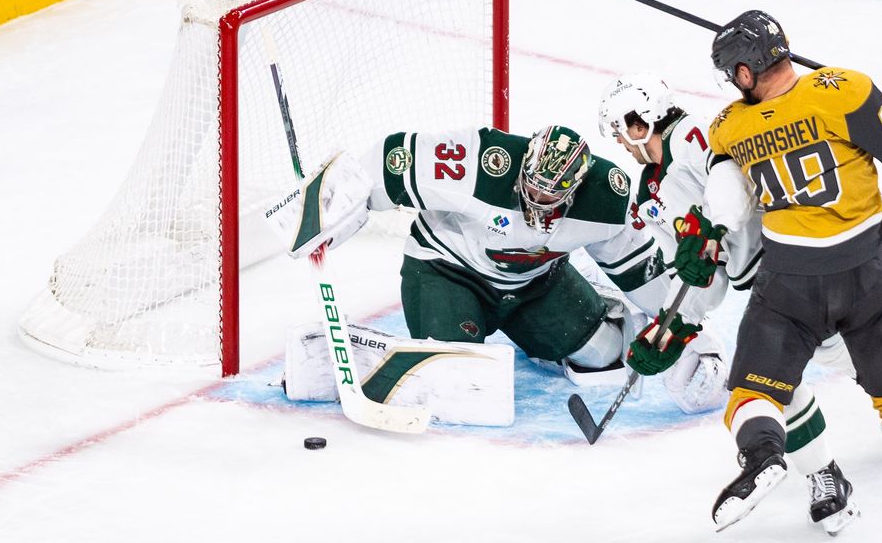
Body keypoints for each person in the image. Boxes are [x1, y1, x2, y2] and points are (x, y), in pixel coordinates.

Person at [674, 10, 882, 543]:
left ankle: (763, 456)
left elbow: (728, 202)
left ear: (745, 73)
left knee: (753, 393)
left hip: (788, 282)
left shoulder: (730, 126)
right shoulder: (845, 90)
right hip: (866, 276)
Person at [598, 72, 858, 534]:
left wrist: (712, 229)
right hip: (762, 279)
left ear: (646, 120)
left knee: (796, 363)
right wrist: (672, 329)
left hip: (792, 250)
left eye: (624, 127)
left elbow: (741, 190)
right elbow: (699, 274)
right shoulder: (650, 194)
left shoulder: (698, 138)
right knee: (800, 362)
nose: (621, 139)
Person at [276, 123, 705, 392]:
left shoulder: (607, 198)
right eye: (531, 185)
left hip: (536, 282)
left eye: (549, 195)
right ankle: (351, 357)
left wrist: (679, 322)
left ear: (576, 187)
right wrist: (327, 207)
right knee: (456, 375)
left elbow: (640, 269)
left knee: (605, 353)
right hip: (447, 271)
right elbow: (389, 161)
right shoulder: (482, 161)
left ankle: (573, 320)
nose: (535, 198)